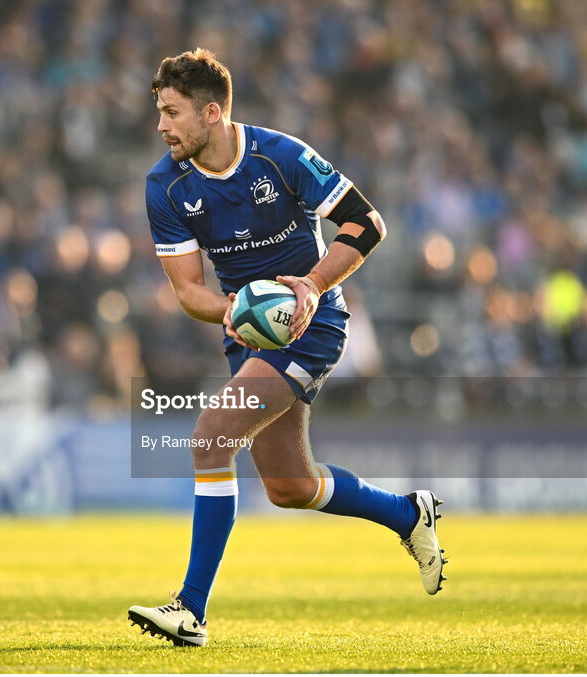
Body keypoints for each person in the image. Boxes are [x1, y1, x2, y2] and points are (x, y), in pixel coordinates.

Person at [128, 49, 447, 647]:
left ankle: (190, 610)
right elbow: (188, 290)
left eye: (172, 112)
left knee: (210, 438)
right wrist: (234, 311)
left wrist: (312, 284)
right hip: (251, 333)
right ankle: (410, 514)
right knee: (290, 487)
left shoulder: (281, 155)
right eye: (159, 112)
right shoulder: (164, 186)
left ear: (212, 113)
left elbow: (366, 223)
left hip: (316, 322)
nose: (162, 125)